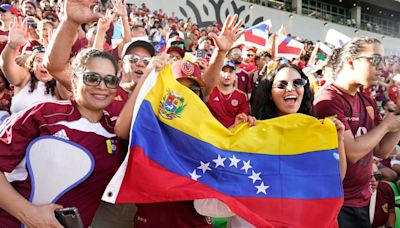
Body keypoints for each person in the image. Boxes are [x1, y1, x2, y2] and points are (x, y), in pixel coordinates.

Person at [0, 47, 123, 228]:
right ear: (74, 79)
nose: (102, 86)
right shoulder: (43, 113)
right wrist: (28, 214)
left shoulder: (118, 132)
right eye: (92, 78)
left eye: (110, 80)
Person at [313, 36, 400, 227]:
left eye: (384, 61)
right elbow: (351, 152)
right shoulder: (328, 100)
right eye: (375, 60)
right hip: (337, 201)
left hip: (363, 197)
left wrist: (398, 119)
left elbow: (381, 150)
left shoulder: (367, 101)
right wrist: (385, 125)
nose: (382, 68)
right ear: (351, 61)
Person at [0, 17, 69, 114]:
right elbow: (6, 65)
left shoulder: (59, 86)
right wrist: (12, 46)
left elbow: (68, 92)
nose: (43, 64)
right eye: (39, 60)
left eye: (48, 60)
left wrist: (58, 55)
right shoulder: (24, 79)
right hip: (20, 128)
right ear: (31, 64)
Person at [206, 60, 250, 129]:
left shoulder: (241, 96)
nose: (227, 75)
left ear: (235, 76)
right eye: (223, 71)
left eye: (230, 71)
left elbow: (242, 119)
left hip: (232, 134)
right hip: (211, 133)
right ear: (218, 73)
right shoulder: (209, 92)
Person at [370, 162, 396, 228]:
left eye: (377, 176)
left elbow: (391, 211)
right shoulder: (351, 194)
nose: (373, 180)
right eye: (368, 176)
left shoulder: (385, 189)